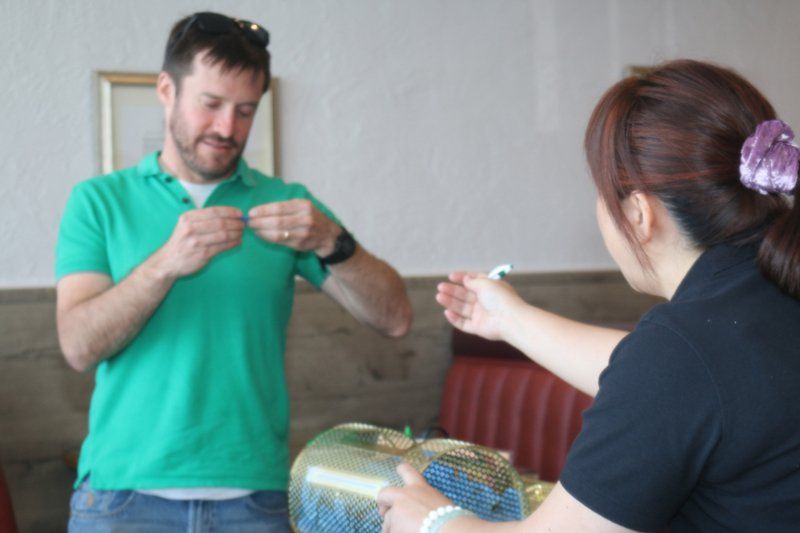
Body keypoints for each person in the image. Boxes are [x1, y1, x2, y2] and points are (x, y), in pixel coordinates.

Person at [378, 59, 800, 532]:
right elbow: (661, 382)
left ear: (639, 213)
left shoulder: (684, 351)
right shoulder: (759, 306)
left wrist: (431, 520)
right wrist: (509, 320)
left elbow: (669, 378)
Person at [56, 11, 412, 532]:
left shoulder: (288, 204)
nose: (228, 128)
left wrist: (333, 242)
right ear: (165, 90)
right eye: (212, 104)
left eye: (245, 111)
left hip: (255, 499)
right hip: (122, 498)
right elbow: (78, 345)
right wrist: (165, 264)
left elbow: (396, 319)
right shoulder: (98, 201)